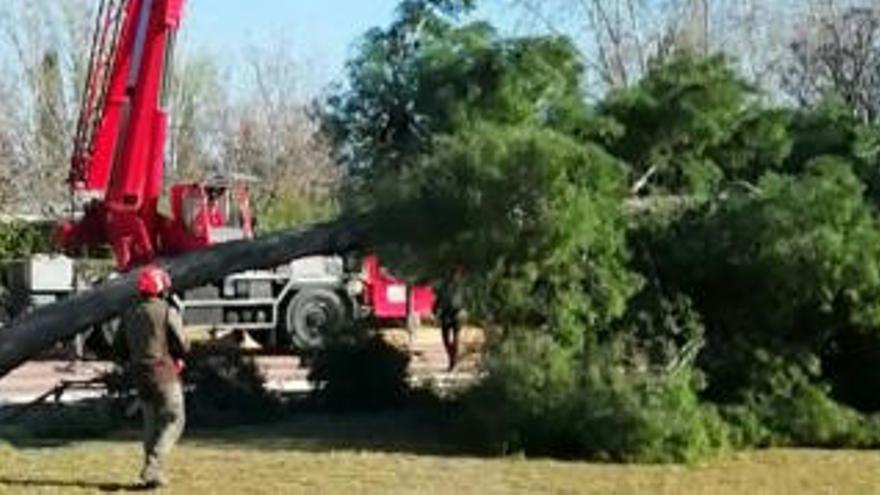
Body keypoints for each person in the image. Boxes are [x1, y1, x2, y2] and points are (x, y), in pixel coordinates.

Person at [120, 265, 190, 489]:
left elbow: (118, 347)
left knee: (150, 424)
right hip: (164, 373)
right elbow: (182, 343)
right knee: (174, 418)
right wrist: (180, 355)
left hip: (140, 375)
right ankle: (153, 464)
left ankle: (153, 476)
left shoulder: (129, 313)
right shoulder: (167, 311)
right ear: (161, 289)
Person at [435, 270, 465, 371]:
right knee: (447, 339)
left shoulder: (460, 287)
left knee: (453, 338)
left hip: (456, 313)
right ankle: (452, 357)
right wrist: (435, 309)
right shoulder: (444, 286)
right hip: (448, 313)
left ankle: (453, 360)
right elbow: (438, 299)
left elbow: (438, 299)